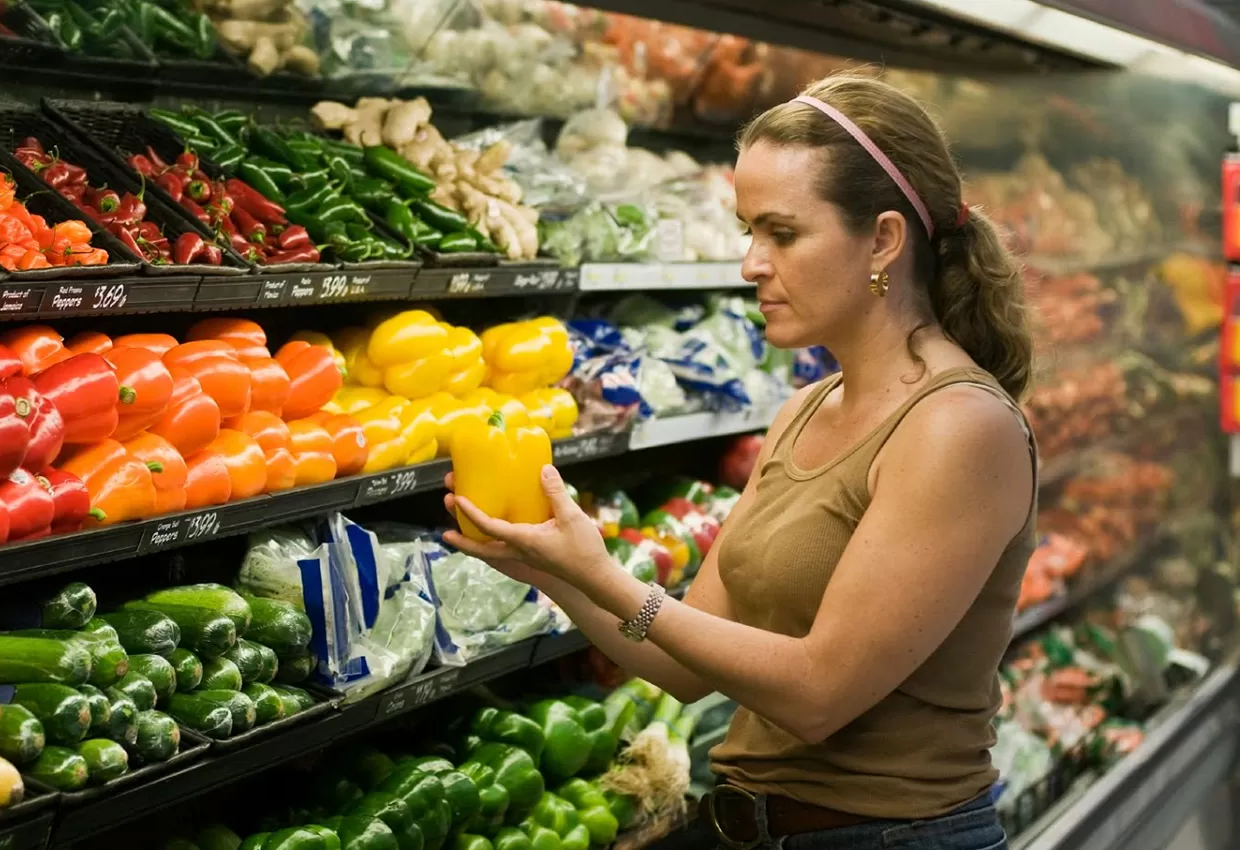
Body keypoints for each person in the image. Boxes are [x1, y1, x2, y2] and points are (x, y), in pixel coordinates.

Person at [443, 71, 1036, 850]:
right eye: (747, 229)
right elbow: (689, 665)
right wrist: (550, 567)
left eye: (782, 233)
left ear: (884, 240)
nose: (751, 261)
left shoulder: (959, 427)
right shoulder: (802, 410)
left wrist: (606, 575)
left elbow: (821, 693)